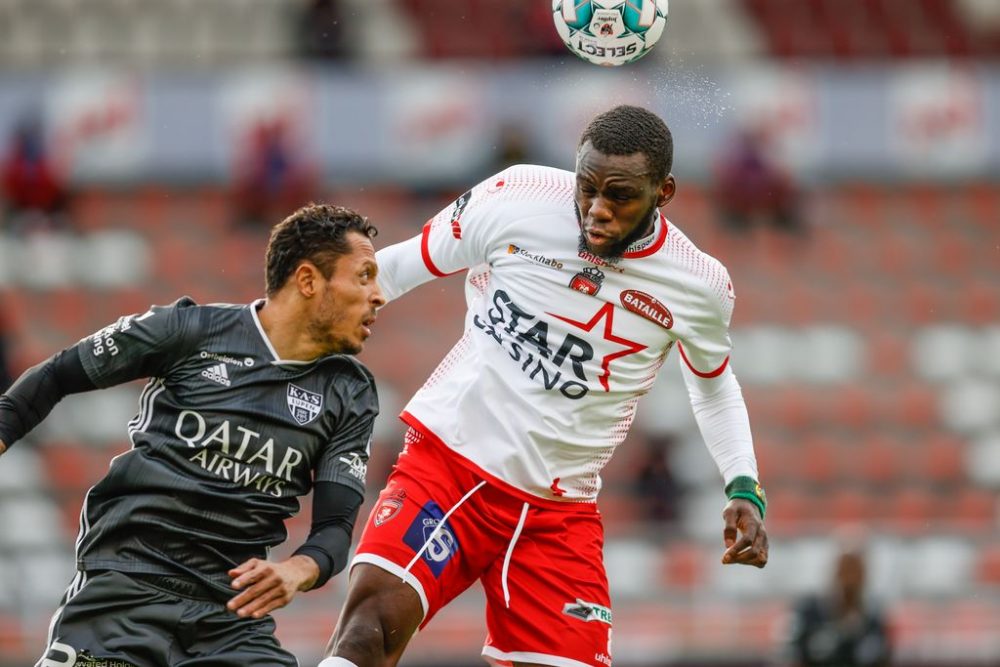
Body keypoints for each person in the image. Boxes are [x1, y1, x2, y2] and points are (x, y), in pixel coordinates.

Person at [320, 105, 769, 667]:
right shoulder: (517, 195)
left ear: (664, 192)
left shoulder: (698, 285)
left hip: (558, 516)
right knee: (366, 636)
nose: (596, 210)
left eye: (620, 195)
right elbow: (394, 270)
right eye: (586, 187)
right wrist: (279, 342)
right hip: (447, 470)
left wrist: (742, 486)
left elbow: (713, 384)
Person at [0, 203, 385, 666]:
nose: (378, 295)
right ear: (308, 281)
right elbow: (54, 377)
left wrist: (296, 570)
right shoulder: (189, 331)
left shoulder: (349, 392)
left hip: (231, 619)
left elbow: (334, 530)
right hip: (126, 592)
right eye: (364, 276)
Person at [783, 545, 892, 667]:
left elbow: (883, 657)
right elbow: (793, 656)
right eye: (846, 569)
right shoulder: (809, 612)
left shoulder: (875, 619)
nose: (850, 579)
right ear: (835, 571)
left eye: (856, 570)